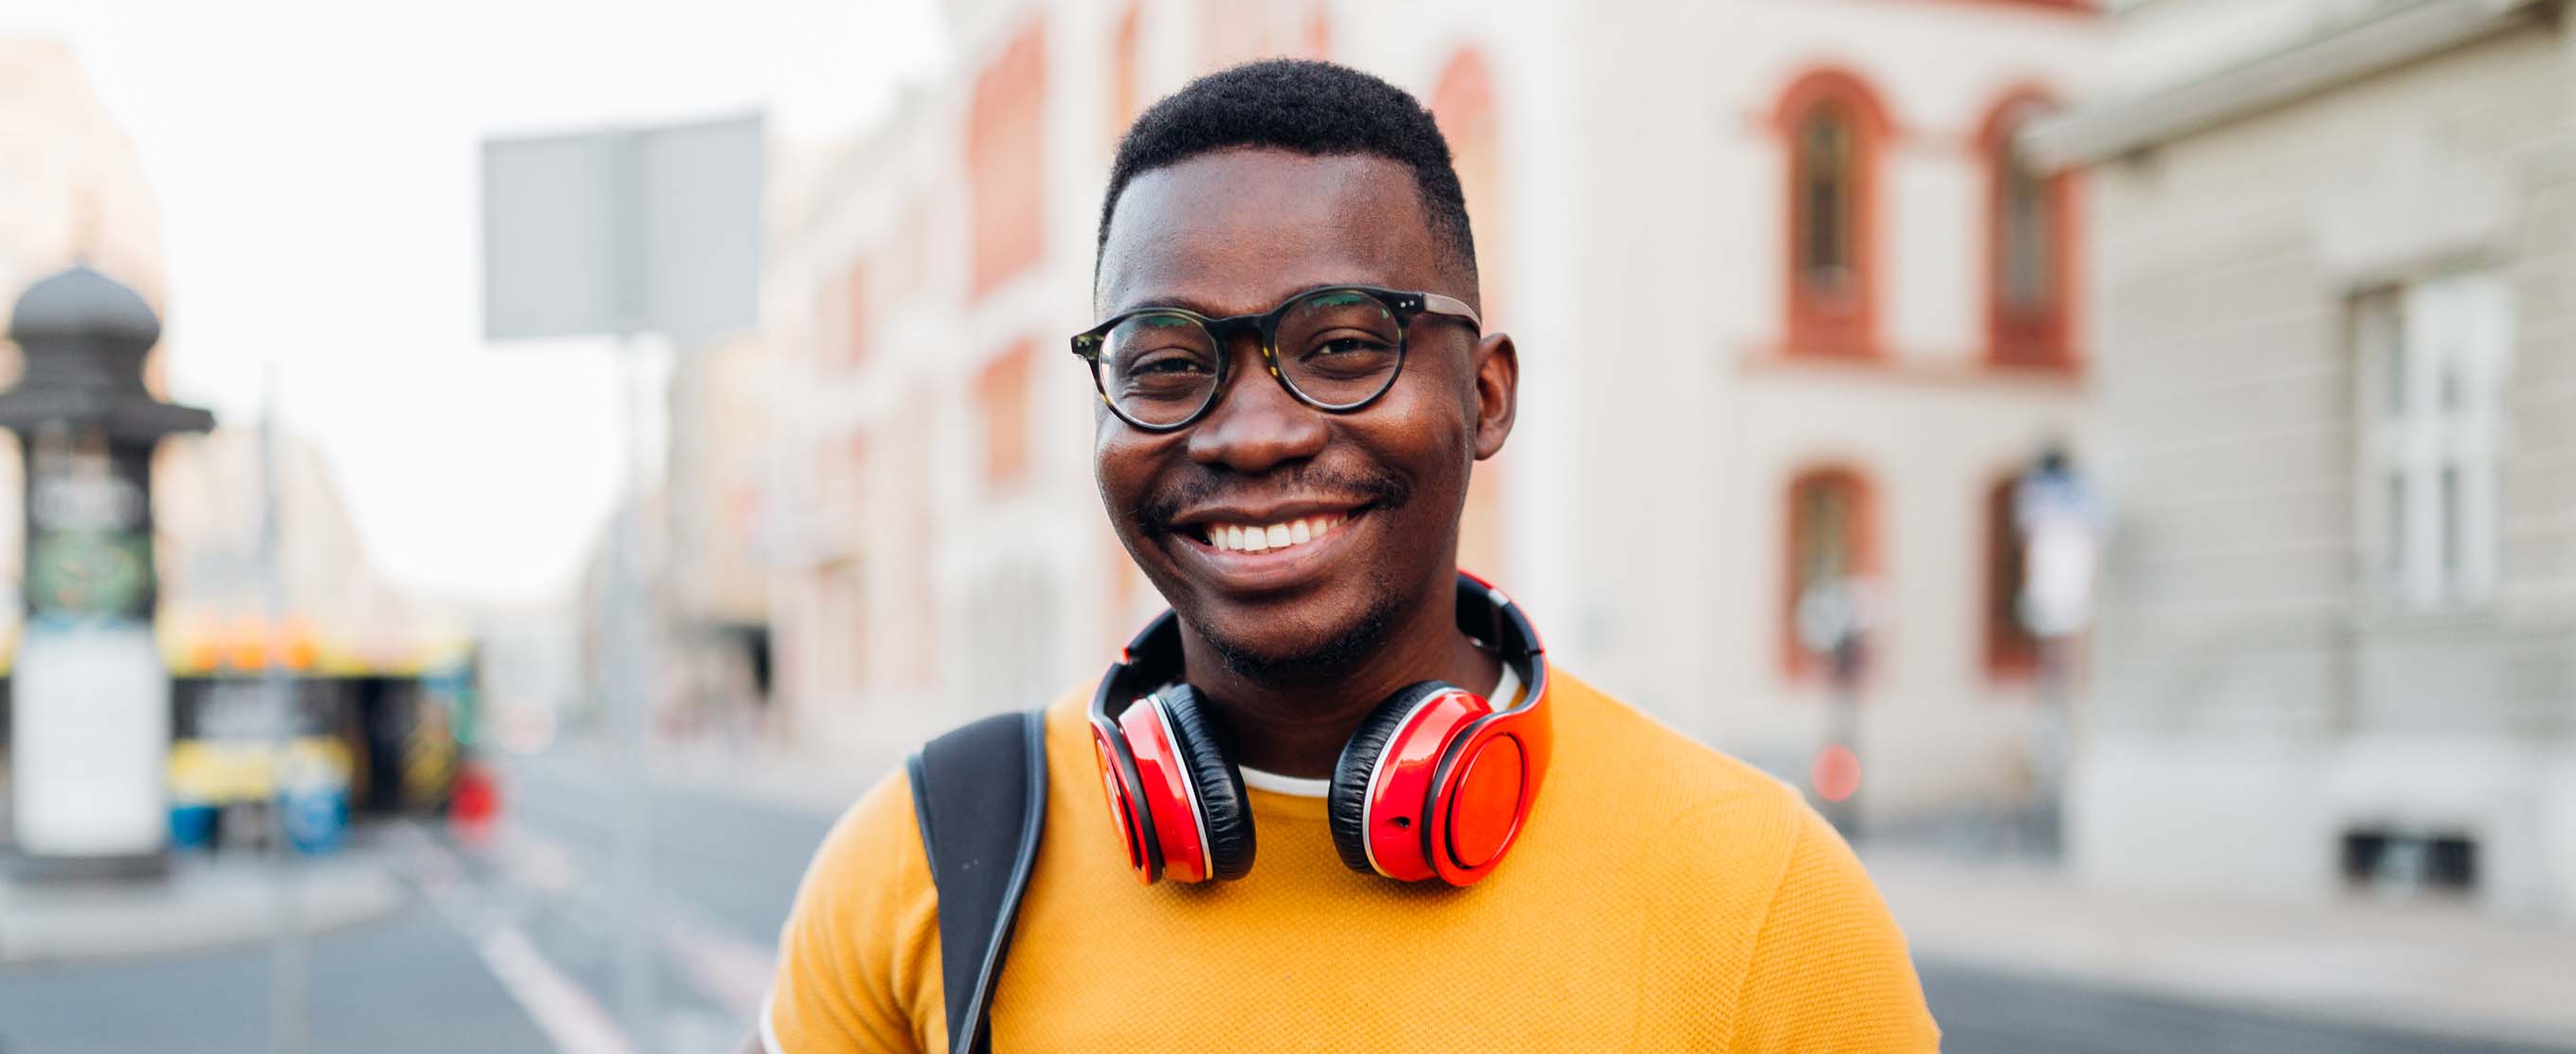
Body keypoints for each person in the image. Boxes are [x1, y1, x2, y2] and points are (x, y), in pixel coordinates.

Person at [749, 59, 1937, 1052]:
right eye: (1164, 362)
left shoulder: (1763, 899)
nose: (1253, 432)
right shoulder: (927, 859)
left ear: (1485, 394)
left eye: (1343, 345)